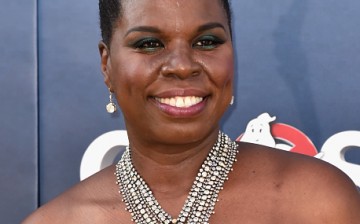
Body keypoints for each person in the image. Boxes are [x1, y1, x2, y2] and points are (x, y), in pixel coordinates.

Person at [23, 0, 360, 223]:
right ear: (107, 64)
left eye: (207, 41)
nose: (183, 66)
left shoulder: (317, 202)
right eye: (149, 44)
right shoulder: (58, 219)